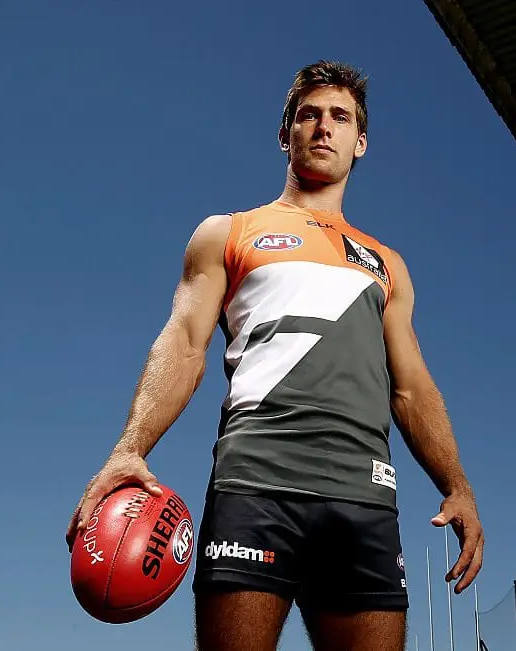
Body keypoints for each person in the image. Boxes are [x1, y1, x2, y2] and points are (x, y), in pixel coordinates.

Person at [65, 60, 484, 651]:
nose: (324, 126)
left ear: (360, 142)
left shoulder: (387, 265)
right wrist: (129, 448)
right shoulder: (228, 233)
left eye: (340, 117)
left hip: (363, 496)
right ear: (286, 133)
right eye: (309, 115)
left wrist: (457, 484)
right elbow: (184, 343)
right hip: (254, 485)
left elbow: (412, 385)